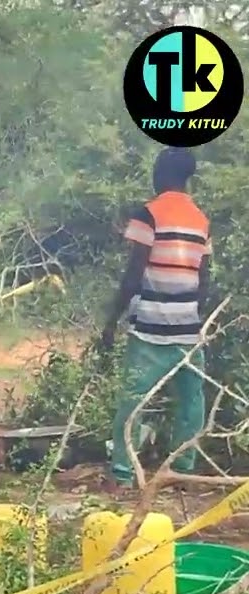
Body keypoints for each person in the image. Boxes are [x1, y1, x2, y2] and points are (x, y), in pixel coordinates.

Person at [101, 147, 210, 487]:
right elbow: (204, 279)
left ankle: (123, 474)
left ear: (162, 174)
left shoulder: (148, 214)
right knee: (192, 403)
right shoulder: (201, 220)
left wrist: (111, 320)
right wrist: (194, 315)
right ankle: (182, 470)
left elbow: (134, 273)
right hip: (188, 331)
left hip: (149, 328)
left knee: (134, 402)